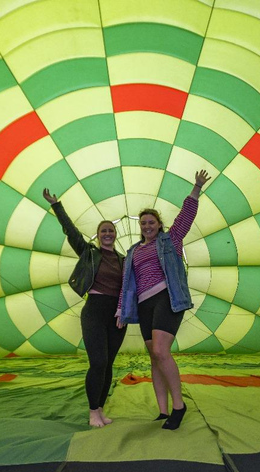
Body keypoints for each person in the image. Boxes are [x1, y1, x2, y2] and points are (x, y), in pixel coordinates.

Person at [117, 170, 210, 430]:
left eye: (152, 222)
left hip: (167, 298)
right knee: (154, 356)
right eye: (143, 223)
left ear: (159, 225)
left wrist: (196, 187)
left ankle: (179, 406)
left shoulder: (171, 240)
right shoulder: (133, 251)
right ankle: (162, 410)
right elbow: (127, 286)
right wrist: (121, 311)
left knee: (160, 351)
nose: (147, 226)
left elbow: (185, 217)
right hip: (144, 305)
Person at [43, 188, 127, 428]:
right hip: (95, 311)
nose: (108, 233)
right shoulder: (89, 253)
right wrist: (56, 205)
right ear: (98, 235)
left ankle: (101, 408)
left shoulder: (124, 260)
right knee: (98, 362)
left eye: (111, 230)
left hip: (118, 315)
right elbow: (71, 232)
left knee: (109, 363)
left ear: (115, 234)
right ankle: (92, 411)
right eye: (104, 231)